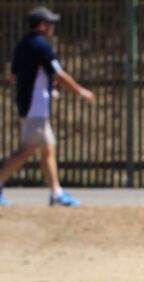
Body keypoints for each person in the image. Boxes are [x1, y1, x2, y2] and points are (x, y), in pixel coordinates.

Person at [0, 6, 94, 207]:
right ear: (42, 26)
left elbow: (15, 76)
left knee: (47, 150)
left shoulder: (22, 45)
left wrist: (43, 88)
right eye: (50, 23)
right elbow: (59, 75)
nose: (53, 27)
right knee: (27, 151)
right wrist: (81, 91)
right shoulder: (42, 46)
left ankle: (56, 193)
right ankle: (55, 193)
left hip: (30, 104)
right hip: (36, 107)